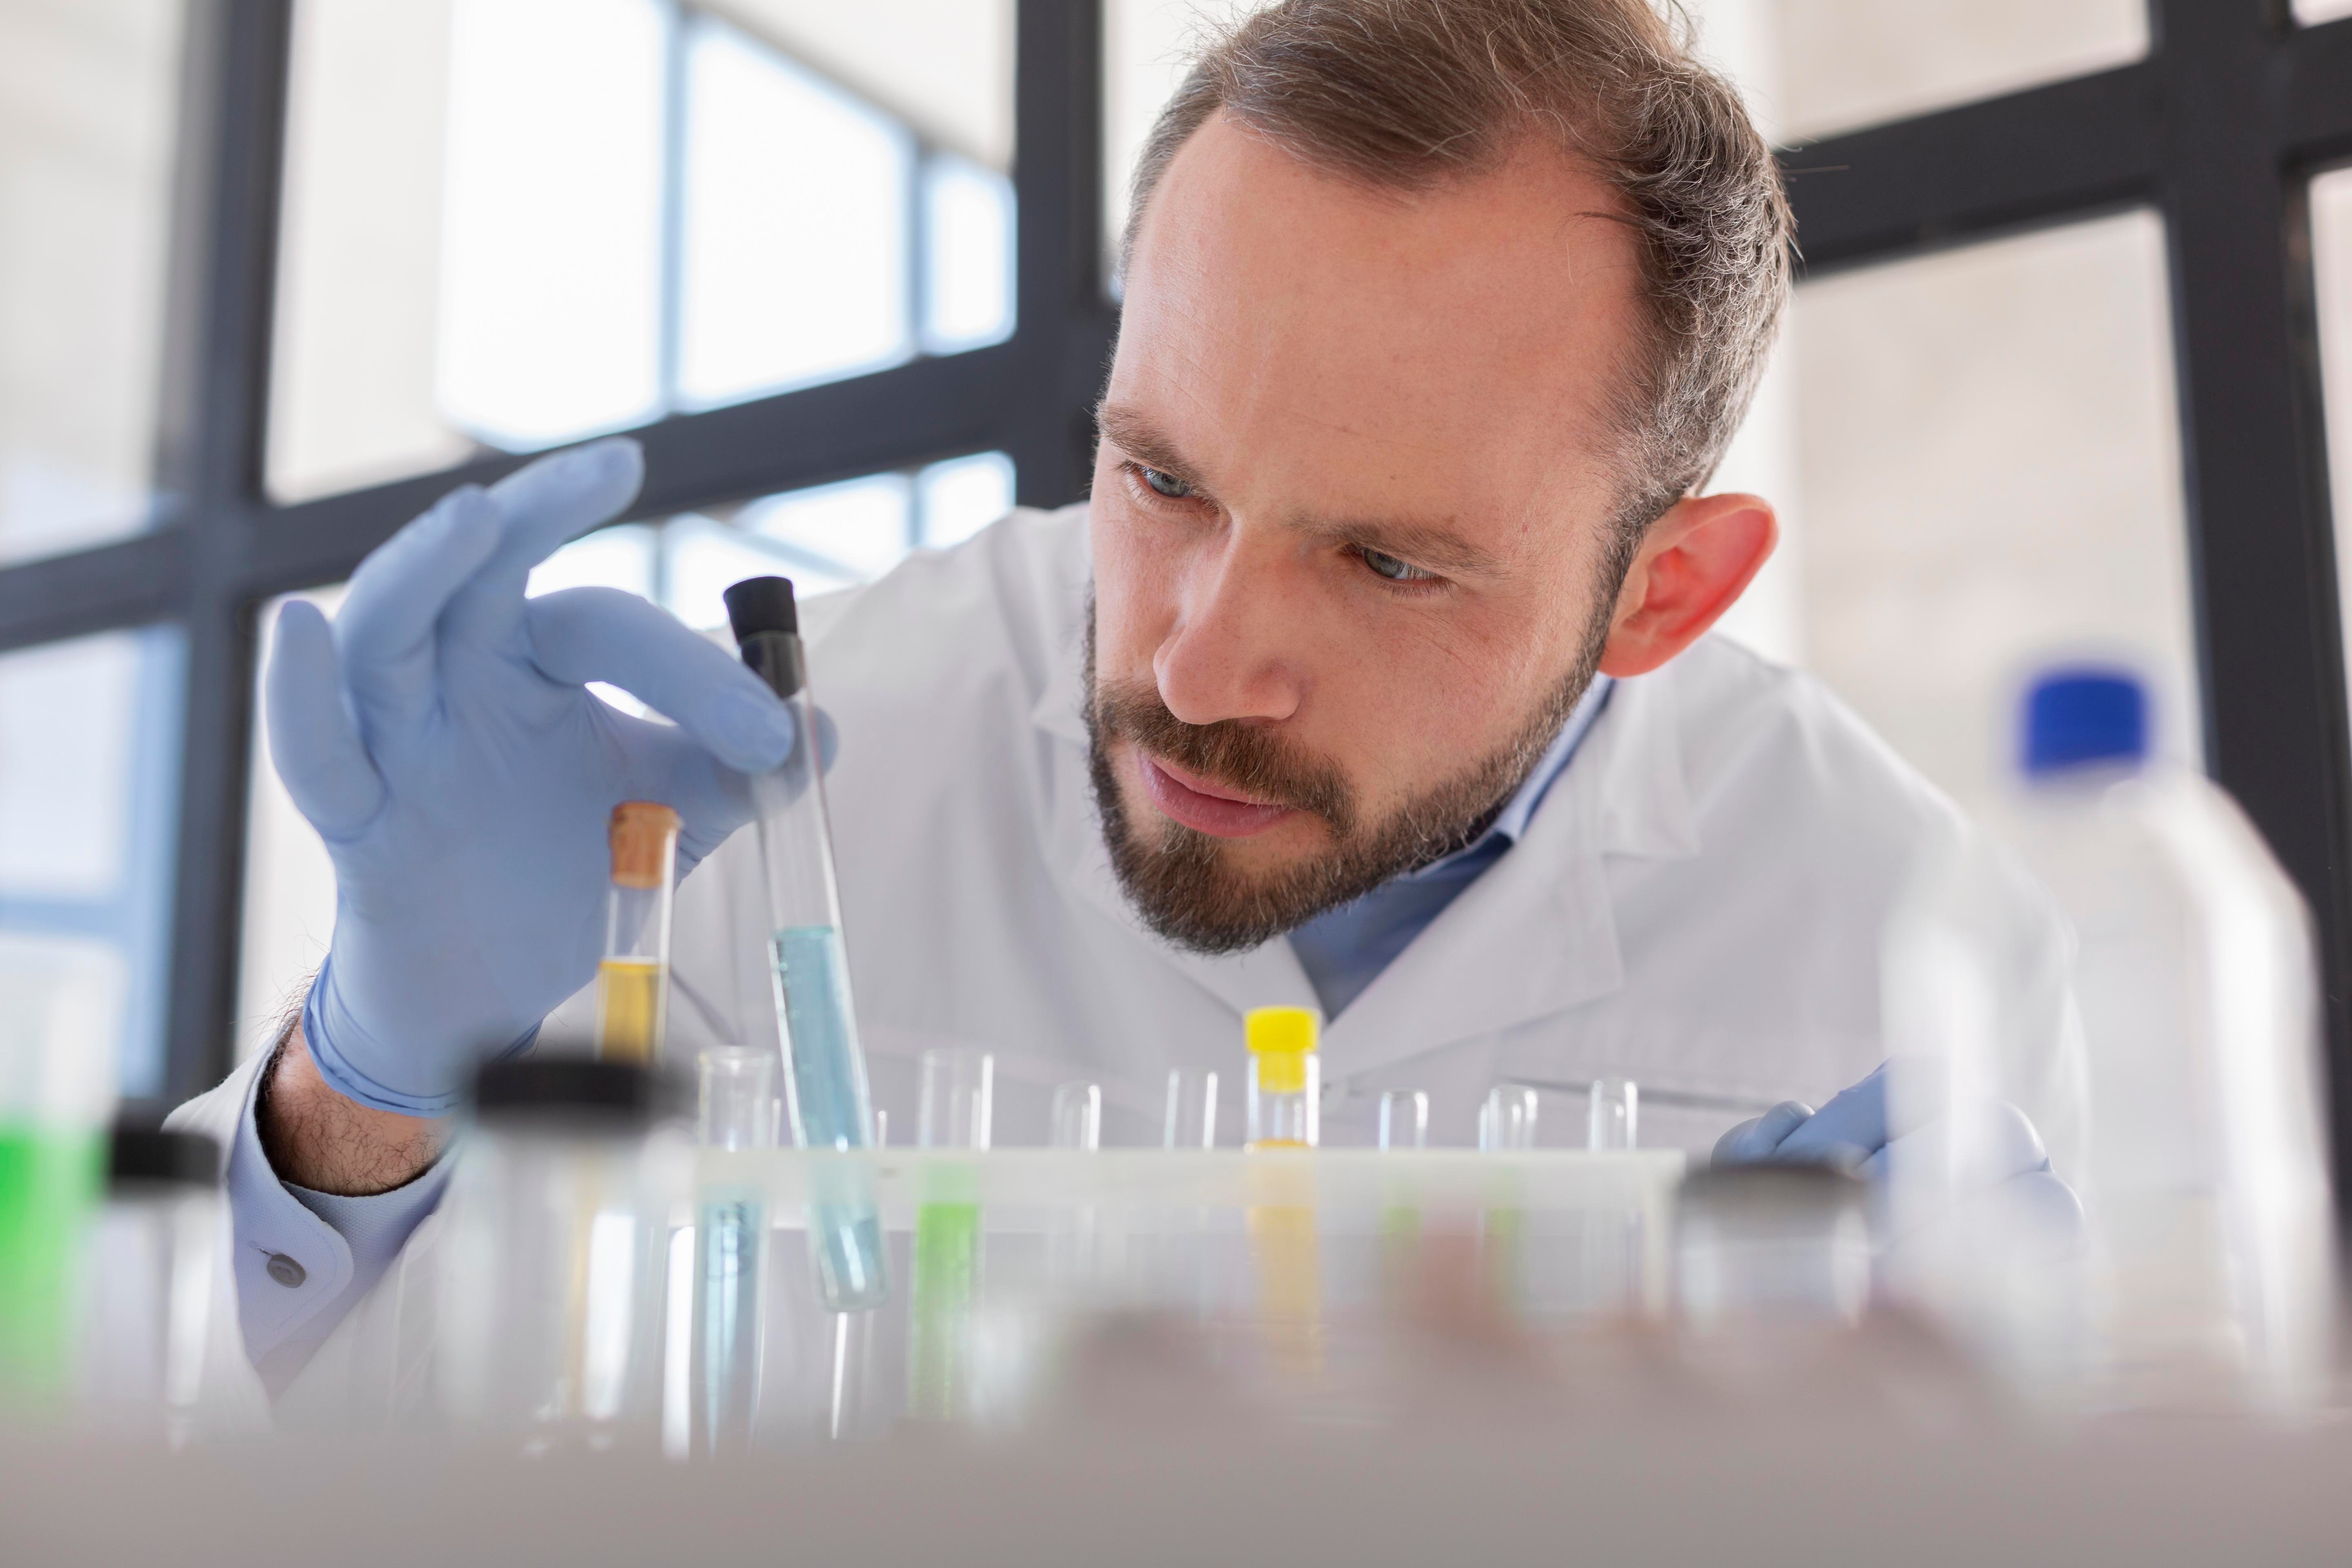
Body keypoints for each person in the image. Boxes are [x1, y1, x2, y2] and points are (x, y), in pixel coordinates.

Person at [170, 0, 2073, 1408]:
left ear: (1665, 588)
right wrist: (372, 1085)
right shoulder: (801, 771)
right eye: (1164, 483)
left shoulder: (1900, 947)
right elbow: (222, 1454)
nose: (1191, 668)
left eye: (1388, 565)